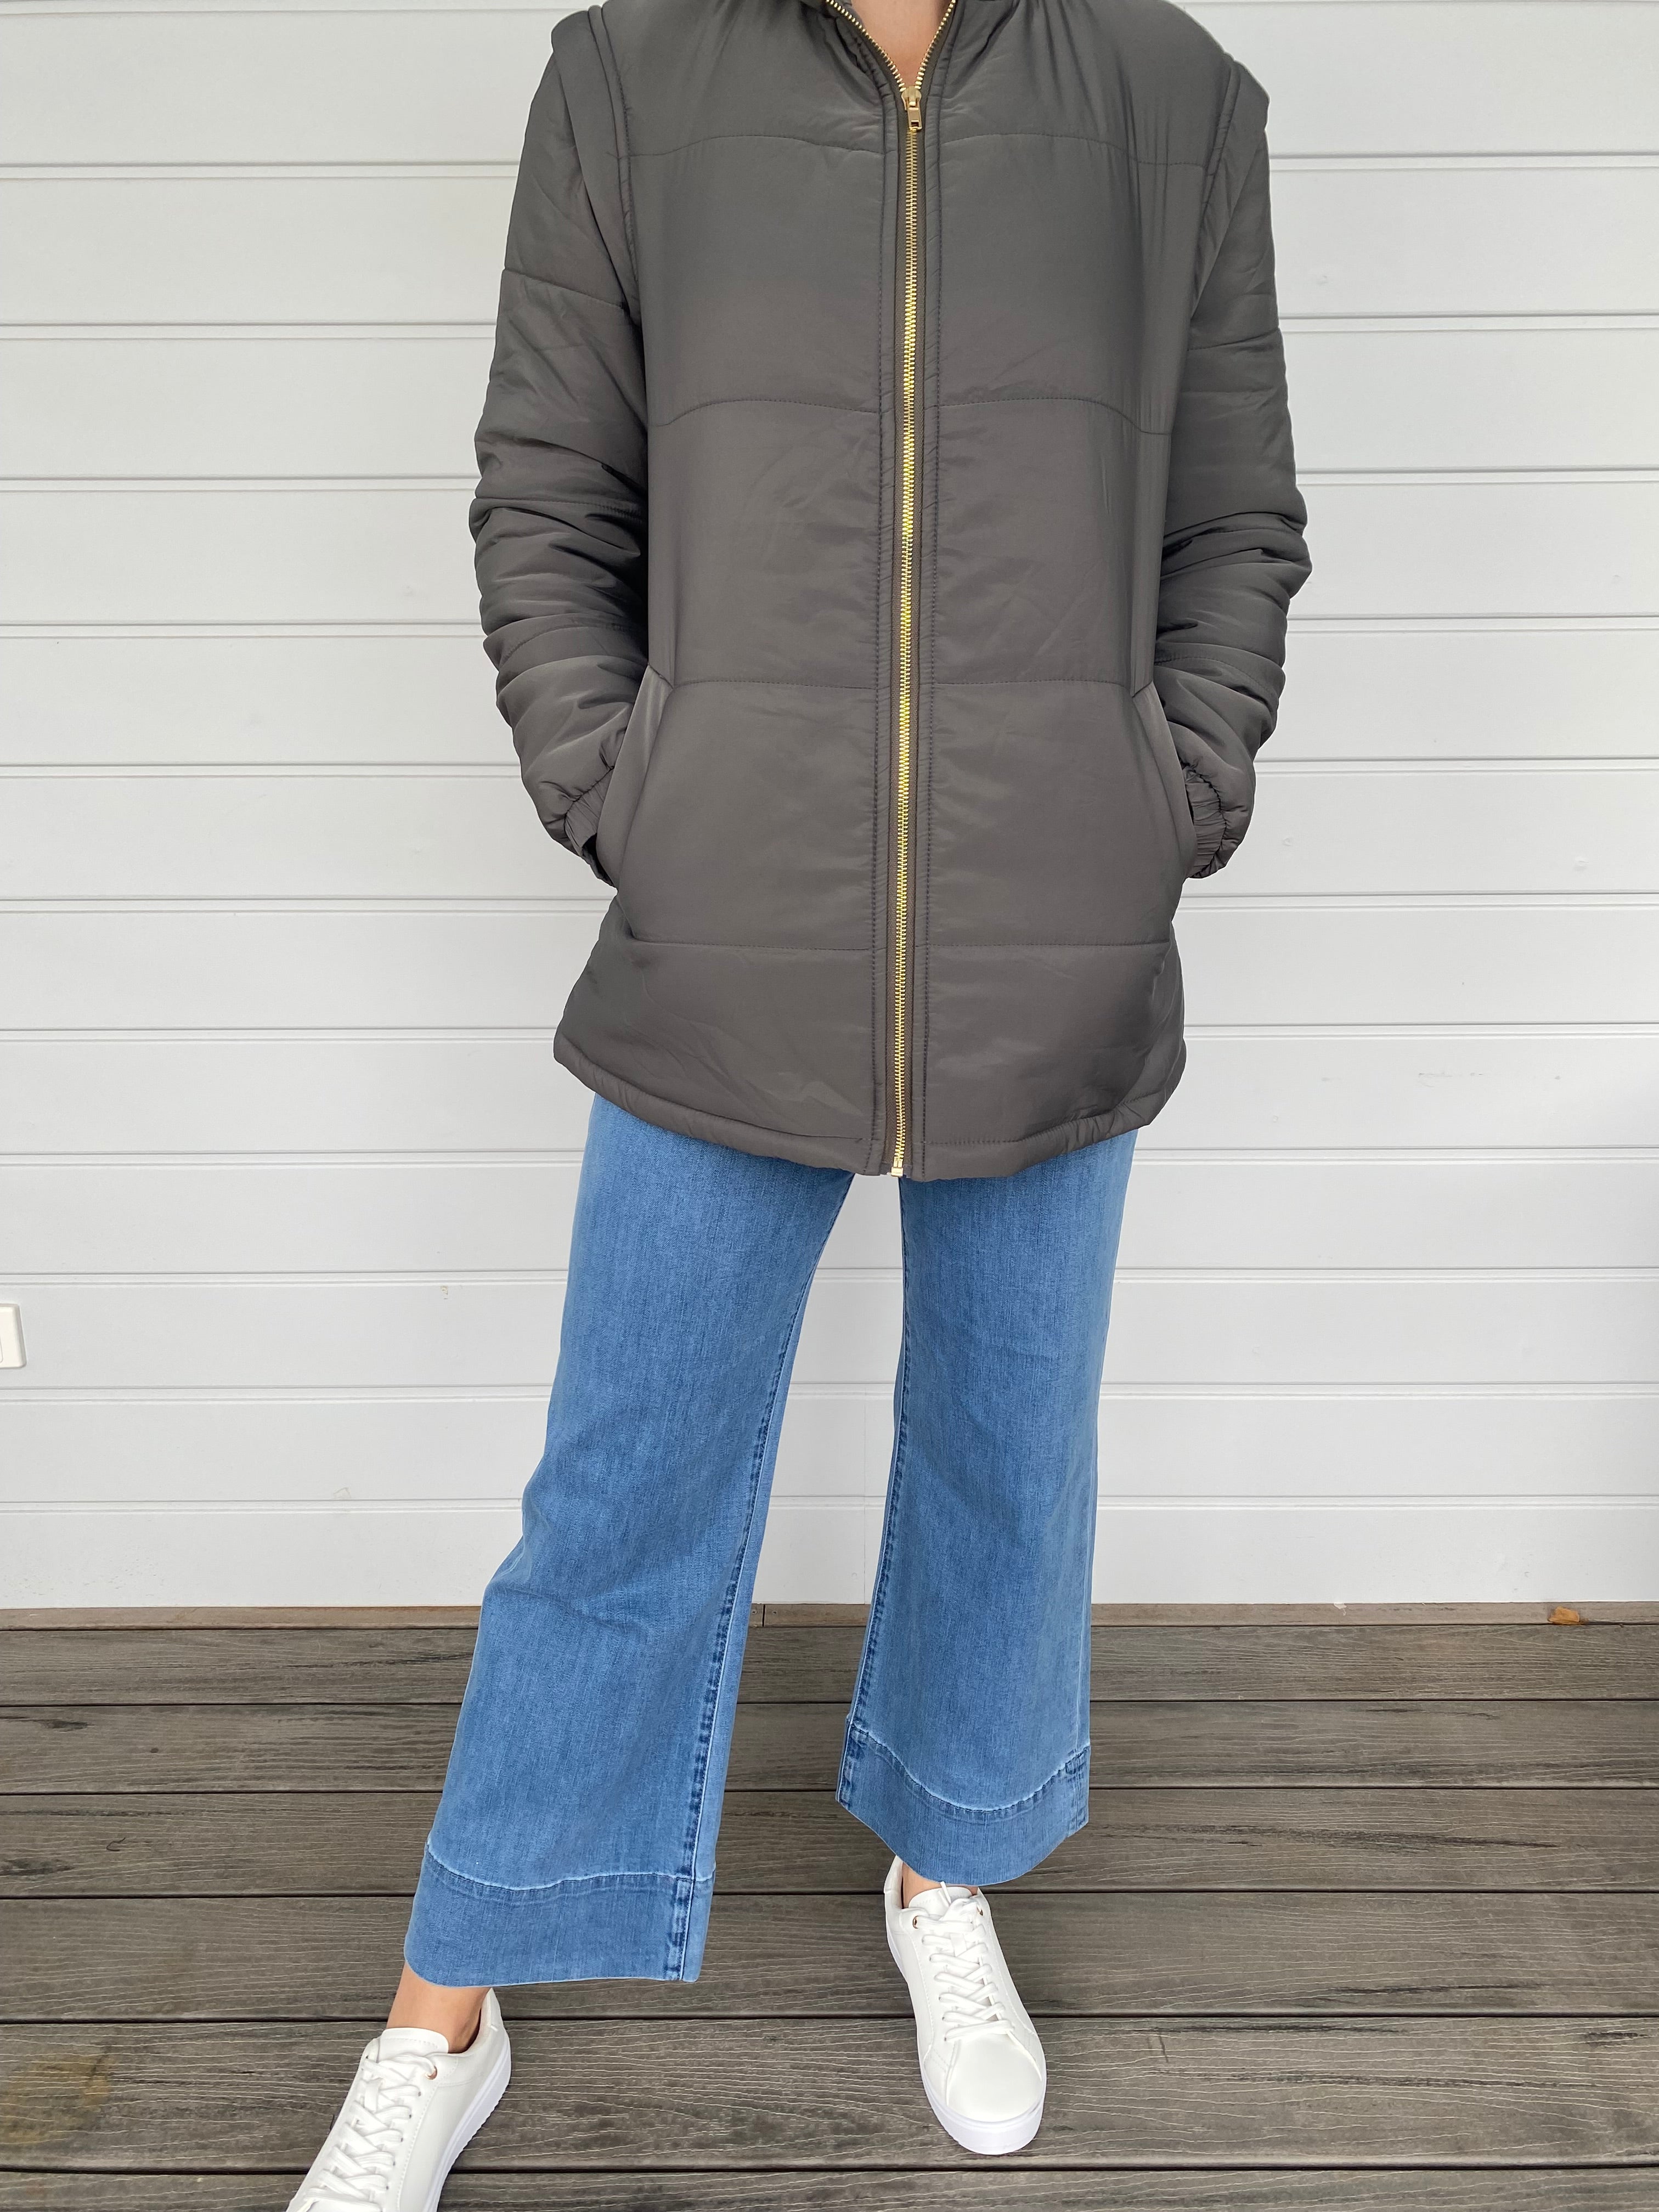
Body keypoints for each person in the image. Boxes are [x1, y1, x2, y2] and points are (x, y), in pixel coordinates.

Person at [290, 0, 1308, 2196]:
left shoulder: (1173, 98)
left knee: (1007, 1446)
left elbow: (1235, 520)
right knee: (624, 1483)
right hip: (727, 909)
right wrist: (631, 791)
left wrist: (1166, 791)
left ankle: (946, 1873)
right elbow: (548, 495)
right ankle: (446, 2009)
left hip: (1062, 911)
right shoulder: (629, 75)